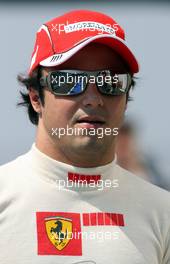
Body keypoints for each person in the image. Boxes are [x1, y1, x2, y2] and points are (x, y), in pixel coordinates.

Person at [0, 9, 169, 264]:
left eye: (111, 81)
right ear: (36, 97)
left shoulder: (162, 213)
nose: (93, 99)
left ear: (126, 97)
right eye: (70, 80)